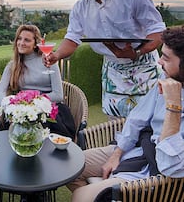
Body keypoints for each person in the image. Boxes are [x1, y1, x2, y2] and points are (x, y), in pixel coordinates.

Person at [67, 26, 184, 202]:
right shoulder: (166, 80)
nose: (159, 62)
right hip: (138, 149)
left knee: (81, 196)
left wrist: (173, 106)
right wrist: (117, 154)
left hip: (157, 173)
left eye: (166, 58)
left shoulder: (173, 93)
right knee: (70, 166)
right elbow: (137, 118)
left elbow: (169, 166)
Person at [46, 0, 166, 119]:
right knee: (115, 123)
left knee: (152, 119)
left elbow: (158, 30)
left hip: (144, 67)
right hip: (112, 70)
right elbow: (72, 38)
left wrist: (137, 52)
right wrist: (57, 55)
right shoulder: (79, 8)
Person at [0, 24, 76, 139]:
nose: (21, 43)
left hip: (49, 110)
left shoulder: (48, 61)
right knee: (7, 128)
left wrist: (33, 102)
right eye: (19, 38)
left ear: (35, 44)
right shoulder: (12, 65)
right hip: (22, 110)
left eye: (27, 40)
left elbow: (58, 95)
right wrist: (11, 105)